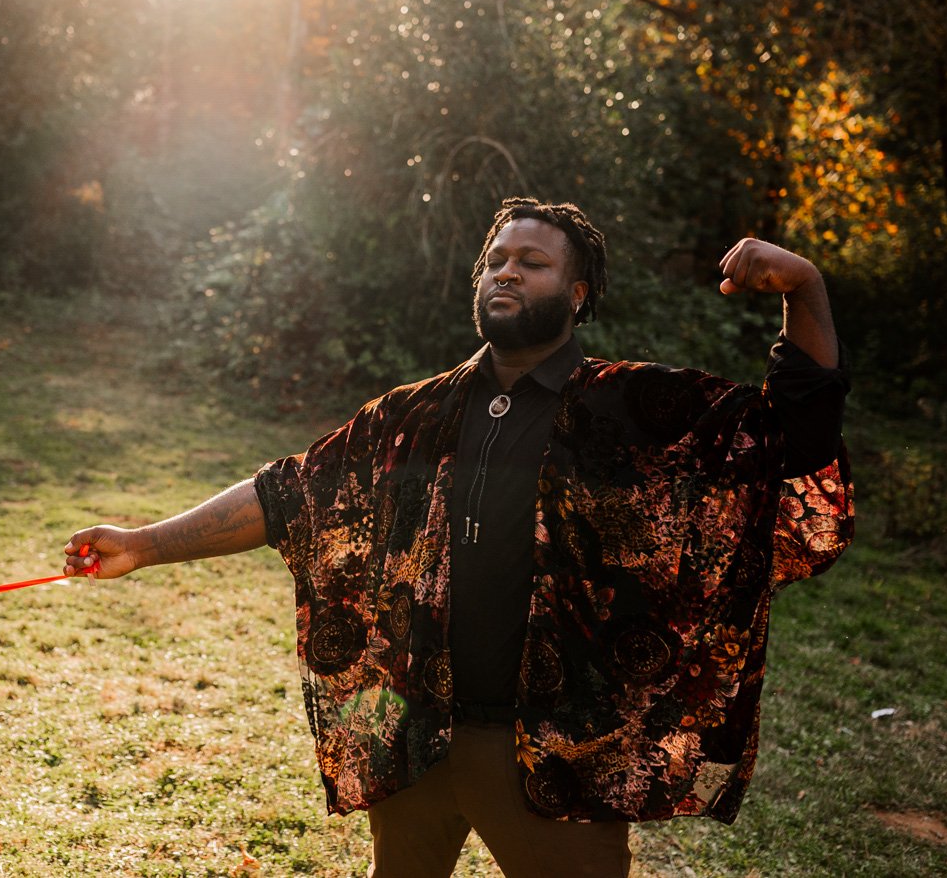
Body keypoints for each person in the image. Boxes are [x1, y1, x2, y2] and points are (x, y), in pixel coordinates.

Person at [63, 198, 853, 878]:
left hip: (554, 756)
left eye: (533, 263)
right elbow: (290, 493)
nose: (507, 272)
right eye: (496, 260)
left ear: (577, 295)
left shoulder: (634, 409)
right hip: (417, 737)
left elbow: (793, 433)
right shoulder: (414, 415)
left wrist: (804, 288)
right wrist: (144, 543)